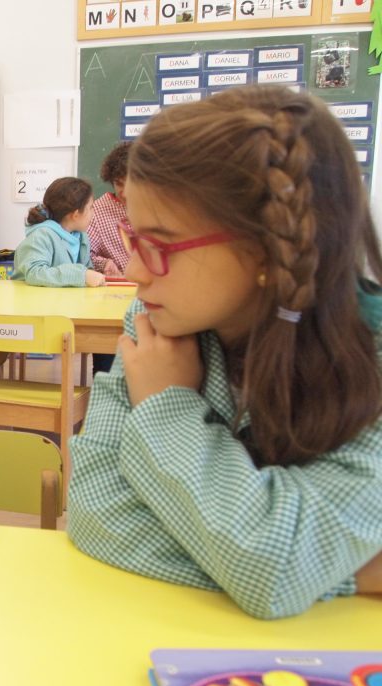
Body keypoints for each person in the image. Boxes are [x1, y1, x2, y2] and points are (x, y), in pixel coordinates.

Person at [66, 85, 382, 619]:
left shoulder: (369, 357)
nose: (135, 270)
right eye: (132, 237)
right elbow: (96, 512)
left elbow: (273, 566)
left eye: (159, 245)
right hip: (167, 631)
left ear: (264, 248)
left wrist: (165, 406)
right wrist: (341, 572)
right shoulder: (153, 323)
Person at [11, 176, 105, 288]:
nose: (93, 213)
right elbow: (34, 273)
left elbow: (86, 271)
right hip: (32, 297)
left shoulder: (81, 237)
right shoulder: (41, 236)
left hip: (60, 298)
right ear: (75, 215)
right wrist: (81, 275)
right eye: (91, 207)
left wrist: (93, 276)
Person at [86, 141, 131, 277]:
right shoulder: (96, 212)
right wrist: (103, 264)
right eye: (119, 184)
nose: (124, 192)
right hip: (121, 285)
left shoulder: (159, 208)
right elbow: (83, 255)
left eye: (131, 184)